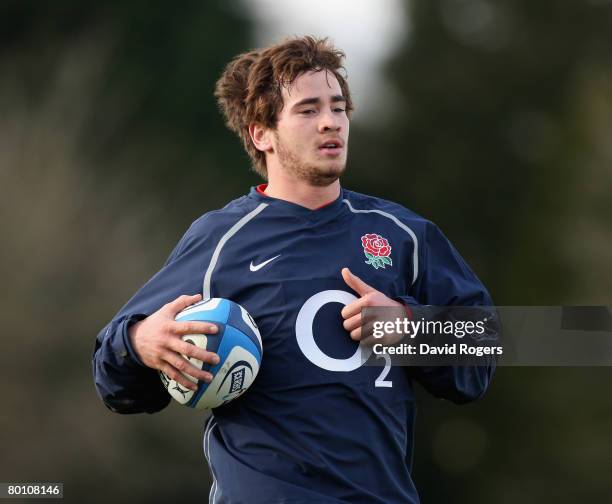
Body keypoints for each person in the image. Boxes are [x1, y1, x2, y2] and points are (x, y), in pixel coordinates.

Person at [93, 36, 495, 503]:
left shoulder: (404, 234)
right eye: (308, 110)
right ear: (261, 132)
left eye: (338, 107)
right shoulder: (220, 240)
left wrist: (409, 327)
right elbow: (114, 381)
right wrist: (139, 342)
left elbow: (484, 354)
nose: (330, 122)